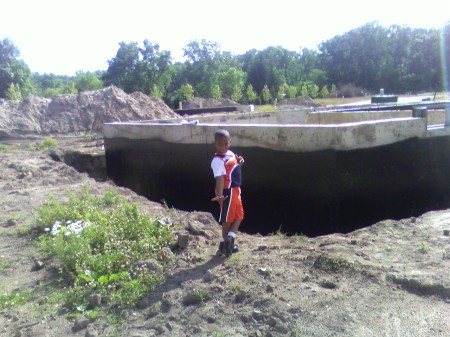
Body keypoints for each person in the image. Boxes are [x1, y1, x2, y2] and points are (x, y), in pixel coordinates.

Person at [210, 129, 244, 257]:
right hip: (227, 192)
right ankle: (223, 244)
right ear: (215, 144)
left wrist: (239, 164)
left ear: (230, 142)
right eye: (220, 144)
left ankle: (230, 238)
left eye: (225, 143)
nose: (223, 146)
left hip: (236, 190)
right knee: (227, 219)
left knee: (239, 216)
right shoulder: (217, 160)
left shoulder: (230, 154)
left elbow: (232, 170)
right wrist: (219, 195)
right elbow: (219, 179)